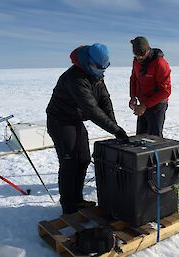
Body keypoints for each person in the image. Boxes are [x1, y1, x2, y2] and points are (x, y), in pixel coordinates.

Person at [46, 43, 128, 214]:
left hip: (75, 120)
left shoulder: (95, 74)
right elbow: (92, 110)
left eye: (104, 68)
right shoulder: (75, 78)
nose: (102, 71)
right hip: (60, 121)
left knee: (83, 159)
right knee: (69, 162)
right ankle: (69, 205)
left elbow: (105, 100)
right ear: (89, 62)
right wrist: (115, 130)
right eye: (99, 68)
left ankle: (78, 200)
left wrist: (115, 126)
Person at [129, 36, 171, 137]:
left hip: (157, 104)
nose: (140, 58)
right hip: (143, 102)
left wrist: (144, 106)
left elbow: (166, 91)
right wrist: (133, 97)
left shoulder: (160, 64)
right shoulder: (136, 62)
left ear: (148, 50)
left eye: (142, 54)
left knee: (154, 137)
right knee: (141, 136)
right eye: (137, 55)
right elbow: (134, 79)